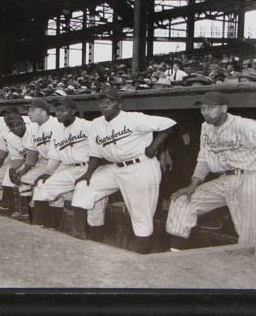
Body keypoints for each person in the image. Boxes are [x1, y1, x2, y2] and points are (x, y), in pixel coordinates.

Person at [72, 89, 176, 253]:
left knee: (141, 216)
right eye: (102, 102)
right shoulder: (97, 124)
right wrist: (88, 173)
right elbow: (95, 153)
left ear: (119, 104)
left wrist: (154, 147)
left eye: (109, 101)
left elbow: (169, 123)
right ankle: (89, 239)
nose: (105, 105)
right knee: (83, 188)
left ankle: (142, 256)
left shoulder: (133, 118)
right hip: (115, 168)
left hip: (140, 167)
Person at [166, 91, 256, 250]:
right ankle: (175, 255)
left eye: (211, 108)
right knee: (183, 202)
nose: (206, 112)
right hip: (226, 179)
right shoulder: (206, 127)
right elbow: (204, 158)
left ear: (224, 108)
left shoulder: (245, 126)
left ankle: (247, 270)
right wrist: (192, 186)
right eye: (203, 109)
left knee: (249, 234)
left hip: (252, 178)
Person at [32, 97, 108, 234]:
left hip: (91, 167)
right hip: (69, 168)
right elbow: (55, 155)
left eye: (63, 110)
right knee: (42, 187)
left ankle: (86, 236)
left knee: (91, 206)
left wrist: (90, 172)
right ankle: (39, 229)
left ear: (73, 111)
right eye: (57, 111)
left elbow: (101, 150)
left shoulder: (87, 125)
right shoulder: (57, 130)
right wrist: (48, 172)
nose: (59, 113)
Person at [13, 99, 63, 227]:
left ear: (43, 112)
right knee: (23, 179)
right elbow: (32, 151)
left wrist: (49, 172)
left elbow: (59, 152)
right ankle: (29, 215)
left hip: (61, 163)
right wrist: (25, 168)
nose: (29, 113)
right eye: (28, 110)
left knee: (49, 190)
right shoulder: (33, 127)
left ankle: (53, 225)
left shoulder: (57, 124)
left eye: (32, 110)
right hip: (44, 162)